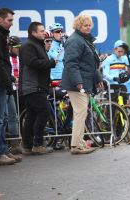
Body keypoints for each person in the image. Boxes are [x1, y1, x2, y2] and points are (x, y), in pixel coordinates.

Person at [61, 14, 103, 155]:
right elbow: (71, 64)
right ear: (79, 26)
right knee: (80, 113)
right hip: (78, 84)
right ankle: (77, 145)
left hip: (82, 82)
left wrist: (98, 79)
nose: (88, 27)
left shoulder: (84, 40)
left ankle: (78, 143)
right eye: (85, 25)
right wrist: (78, 82)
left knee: (81, 113)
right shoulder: (75, 40)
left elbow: (91, 64)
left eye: (90, 24)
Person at [20, 22, 57, 155]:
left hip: (37, 86)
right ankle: (37, 144)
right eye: (41, 31)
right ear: (33, 33)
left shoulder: (37, 45)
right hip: (33, 87)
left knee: (31, 116)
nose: (44, 32)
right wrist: (51, 63)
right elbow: (33, 63)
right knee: (43, 113)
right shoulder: (28, 45)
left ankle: (27, 146)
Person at [0, 8, 22, 165]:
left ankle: (4, 149)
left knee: (4, 119)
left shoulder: (2, 35)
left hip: (3, 81)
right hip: (0, 83)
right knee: (0, 120)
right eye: (9, 20)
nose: (12, 24)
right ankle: (0, 152)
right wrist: (8, 83)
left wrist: (11, 77)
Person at [6, 36, 22, 154]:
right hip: (7, 89)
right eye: (16, 47)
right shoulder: (6, 57)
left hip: (17, 90)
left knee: (14, 116)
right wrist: (13, 79)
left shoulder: (20, 58)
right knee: (5, 118)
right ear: (10, 47)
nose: (18, 49)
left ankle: (15, 143)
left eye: (19, 47)